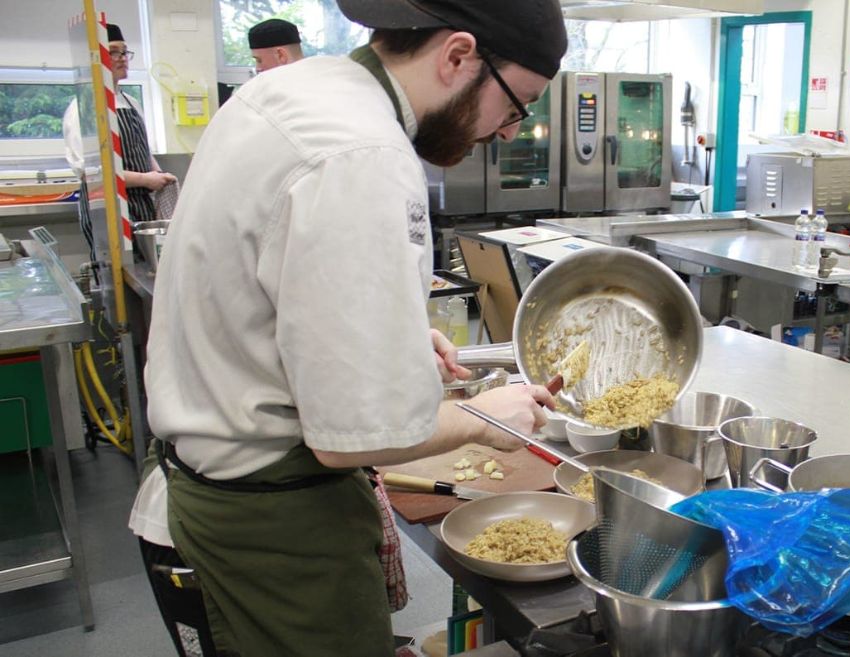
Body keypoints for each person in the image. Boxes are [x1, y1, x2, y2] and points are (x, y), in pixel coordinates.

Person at [131, 0, 569, 655]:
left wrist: (377, 327)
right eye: (515, 104)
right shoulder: (363, 153)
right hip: (269, 532)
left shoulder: (288, 91)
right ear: (458, 56)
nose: (508, 132)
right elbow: (356, 436)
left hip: (204, 487)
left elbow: (267, 278)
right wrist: (488, 417)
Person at [63, 23, 175, 259]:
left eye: (124, 52)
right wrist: (146, 179)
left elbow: (143, 151)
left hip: (140, 205)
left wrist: (159, 175)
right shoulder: (85, 109)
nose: (122, 58)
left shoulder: (131, 102)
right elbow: (92, 173)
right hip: (107, 208)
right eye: (113, 52)